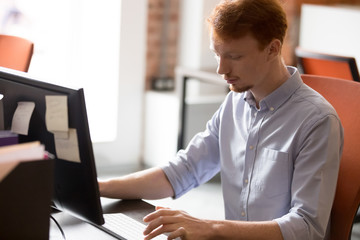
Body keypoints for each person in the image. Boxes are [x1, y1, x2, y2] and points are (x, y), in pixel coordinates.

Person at [99, 0, 344, 239]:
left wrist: (211, 228)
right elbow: (183, 170)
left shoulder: (317, 120)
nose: (221, 69)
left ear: (272, 48)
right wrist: (98, 187)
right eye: (216, 54)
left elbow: (306, 228)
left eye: (234, 57)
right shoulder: (234, 103)